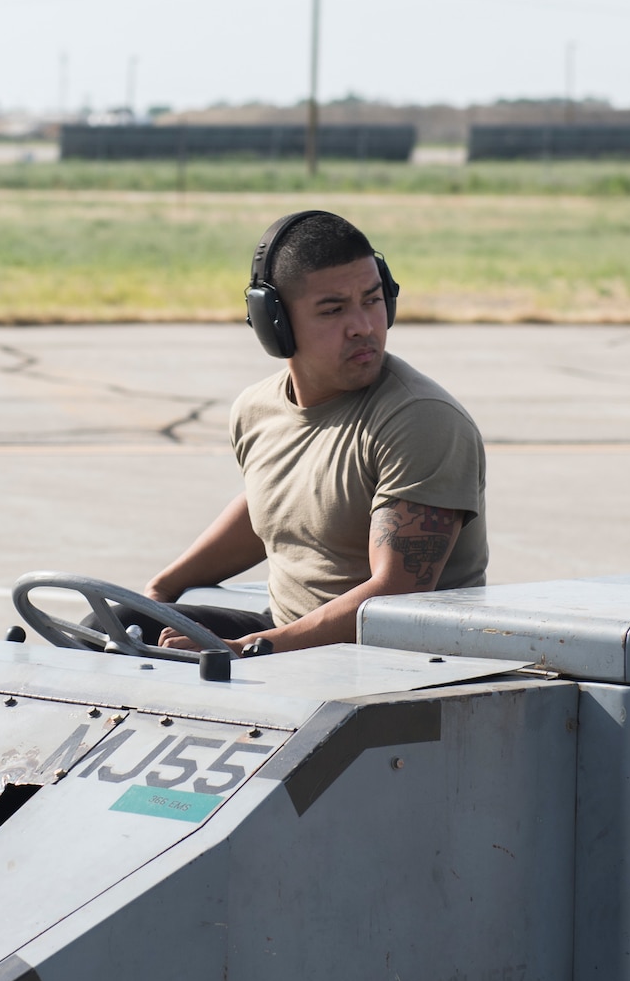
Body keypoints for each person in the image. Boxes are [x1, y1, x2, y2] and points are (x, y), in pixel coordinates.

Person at [141, 209, 487, 654]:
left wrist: (248, 649)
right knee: (122, 623)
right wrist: (162, 588)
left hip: (391, 663)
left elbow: (396, 596)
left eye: (373, 299)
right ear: (275, 322)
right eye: (333, 309)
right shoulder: (257, 410)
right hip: (287, 640)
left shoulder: (420, 419)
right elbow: (275, 508)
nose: (363, 326)